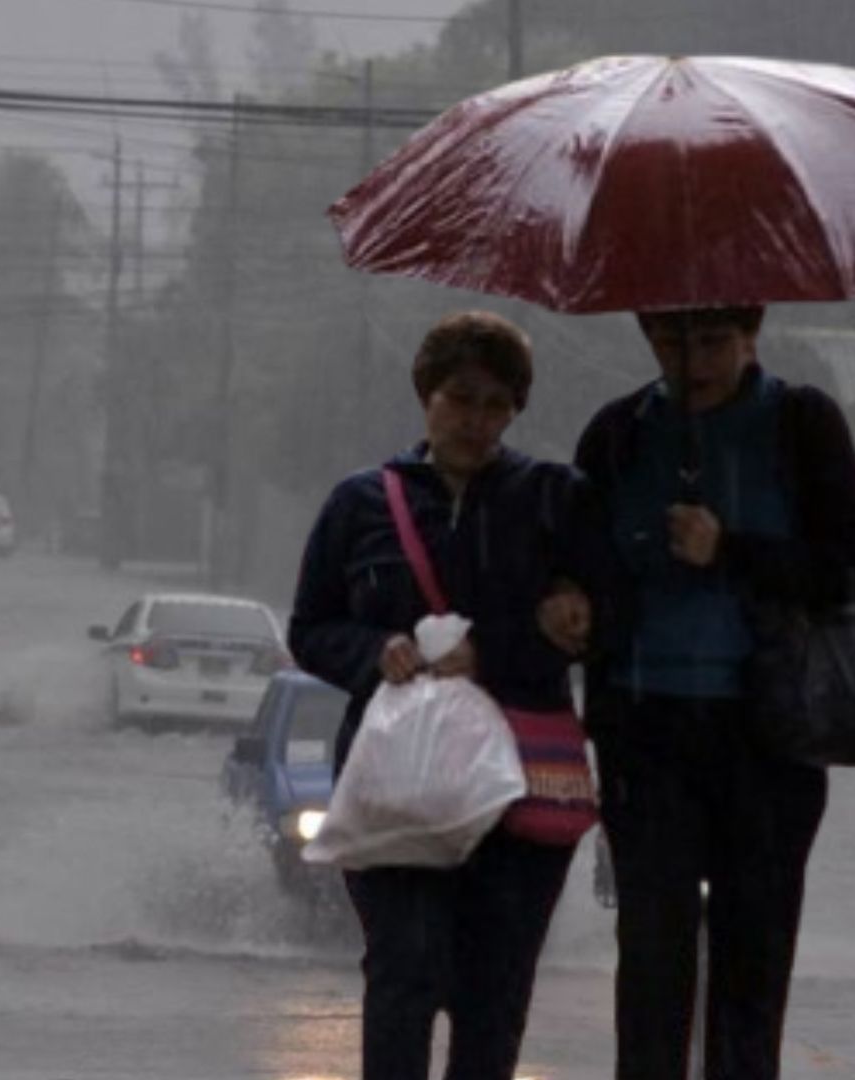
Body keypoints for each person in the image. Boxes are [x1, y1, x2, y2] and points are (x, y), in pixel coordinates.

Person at [562, 305, 855, 1080]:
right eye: (672, 341)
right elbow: (576, 560)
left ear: (750, 334)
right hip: (646, 737)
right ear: (646, 335)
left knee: (752, 972)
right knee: (651, 967)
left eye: (712, 343)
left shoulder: (802, 425)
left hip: (769, 737)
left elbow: (848, 574)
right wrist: (571, 604)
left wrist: (729, 549)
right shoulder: (616, 435)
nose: (692, 363)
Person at [289, 310, 601, 1080]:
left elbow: (595, 625)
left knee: (495, 987)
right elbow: (310, 627)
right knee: (404, 967)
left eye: (496, 405)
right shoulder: (360, 503)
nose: (475, 420)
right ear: (426, 395)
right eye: (460, 398)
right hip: (396, 785)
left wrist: (492, 650)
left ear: (516, 411)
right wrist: (375, 652)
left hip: (516, 785)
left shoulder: (554, 500)